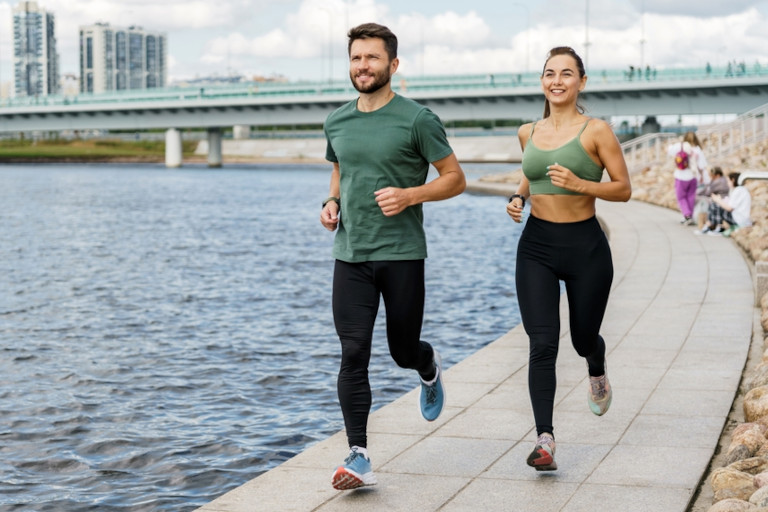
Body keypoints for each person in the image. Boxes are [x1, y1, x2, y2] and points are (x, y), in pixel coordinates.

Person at [320, 22, 466, 490]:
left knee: (402, 349)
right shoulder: (337, 120)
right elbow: (342, 169)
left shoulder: (417, 119)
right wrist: (332, 203)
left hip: (402, 253)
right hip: (351, 254)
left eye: (372, 58)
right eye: (356, 58)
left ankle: (427, 366)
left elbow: (454, 178)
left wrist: (409, 196)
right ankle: (359, 454)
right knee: (353, 352)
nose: (362, 66)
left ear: (393, 65)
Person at [506, 46, 631, 472]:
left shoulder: (597, 131)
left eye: (566, 73)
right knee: (542, 343)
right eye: (549, 73)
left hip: (586, 248)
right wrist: (518, 195)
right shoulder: (528, 130)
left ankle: (595, 364)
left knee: (581, 339)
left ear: (581, 81)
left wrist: (580, 183)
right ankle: (545, 439)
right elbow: (531, 168)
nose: (556, 80)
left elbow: (623, 188)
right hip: (536, 246)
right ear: (542, 81)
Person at [667, 131, 708, 225]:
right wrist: (702, 176)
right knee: (691, 196)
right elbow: (702, 166)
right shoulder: (698, 149)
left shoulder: (680, 146)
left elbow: (669, 151)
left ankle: (687, 215)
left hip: (681, 176)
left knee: (681, 197)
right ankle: (690, 216)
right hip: (693, 177)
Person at [701, 172, 752, 236]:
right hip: (738, 217)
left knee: (716, 206)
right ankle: (710, 226)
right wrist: (719, 200)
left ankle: (717, 227)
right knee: (716, 204)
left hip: (739, 219)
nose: (727, 183)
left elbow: (729, 208)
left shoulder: (739, 190)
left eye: (728, 181)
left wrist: (718, 200)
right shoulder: (739, 190)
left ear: (733, 180)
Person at [693, 166, 729, 233]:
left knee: (710, 205)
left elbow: (708, 192)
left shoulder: (718, 182)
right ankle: (709, 225)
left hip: (721, 200)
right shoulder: (721, 180)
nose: (711, 177)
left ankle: (709, 225)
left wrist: (697, 194)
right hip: (720, 199)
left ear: (717, 175)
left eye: (712, 176)